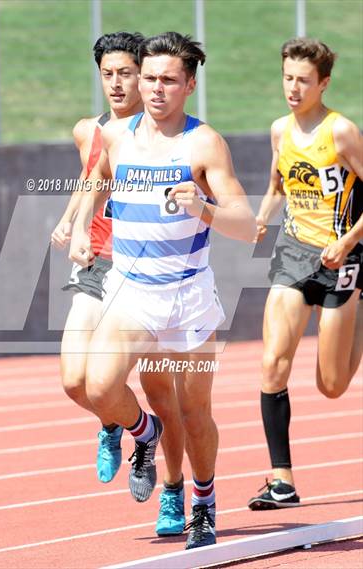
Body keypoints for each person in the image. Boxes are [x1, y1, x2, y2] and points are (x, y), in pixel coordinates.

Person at [70, 31, 256, 549]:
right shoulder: (117, 135)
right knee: (99, 388)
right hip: (131, 293)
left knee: (196, 414)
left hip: (187, 300)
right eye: (148, 77)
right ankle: (145, 434)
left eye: (168, 80)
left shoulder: (204, 143)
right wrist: (84, 225)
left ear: (189, 84)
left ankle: (204, 501)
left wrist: (204, 209)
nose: (155, 89)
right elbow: (96, 179)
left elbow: (247, 225)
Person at [51, 32, 186, 537]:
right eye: (106, 73)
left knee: (161, 390)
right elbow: (92, 179)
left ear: (144, 74)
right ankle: (128, 427)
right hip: (99, 265)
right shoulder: (92, 130)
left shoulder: (166, 134)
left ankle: (172, 495)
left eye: (125, 73)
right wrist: (74, 224)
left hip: (150, 273)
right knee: (74, 381)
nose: (116, 83)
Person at [248, 38, 363, 511]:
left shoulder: (342, 133)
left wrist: (349, 241)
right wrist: (260, 217)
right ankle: (282, 482)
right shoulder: (280, 130)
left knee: (331, 385)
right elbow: (278, 186)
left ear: (324, 84)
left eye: (303, 81)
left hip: (341, 259)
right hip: (293, 254)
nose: (293, 89)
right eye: (287, 78)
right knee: (273, 363)